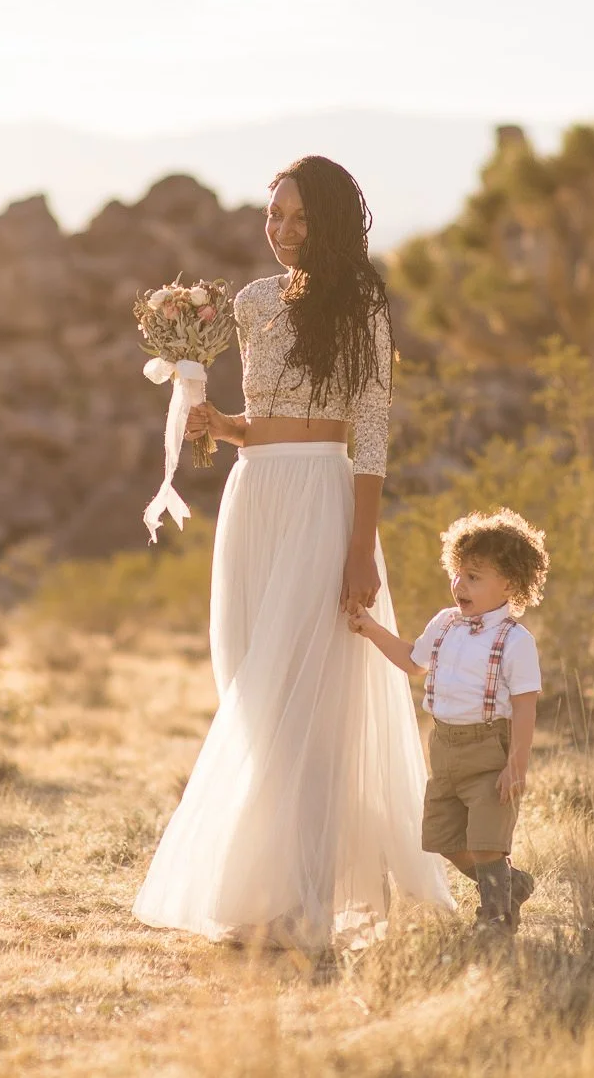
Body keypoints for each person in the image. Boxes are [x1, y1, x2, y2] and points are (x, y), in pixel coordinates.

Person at [131, 155, 453, 952]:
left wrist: (360, 549)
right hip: (254, 495)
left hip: (323, 497)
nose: (282, 230)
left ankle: (307, 904)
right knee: (254, 689)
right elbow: (258, 418)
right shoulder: (247, 303)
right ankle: (263, 892)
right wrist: (213, 422)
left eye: (300, 218)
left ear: (334, 223)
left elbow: (369, 433)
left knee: (307, 697)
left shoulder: (364, 307)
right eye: (274, 215)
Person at [348, 508, 548, 930]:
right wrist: (369, 628)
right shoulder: (444, 624)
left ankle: (494, 919)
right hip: (445, 748)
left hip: (489, 751)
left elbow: (526, 704)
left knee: (488, 843)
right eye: (458, 573)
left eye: (474, 576)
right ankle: (511, 886)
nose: (460, 584)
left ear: (508, 584)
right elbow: (412, 661)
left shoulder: (515, 640)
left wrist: (517, 763)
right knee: (443, 838)